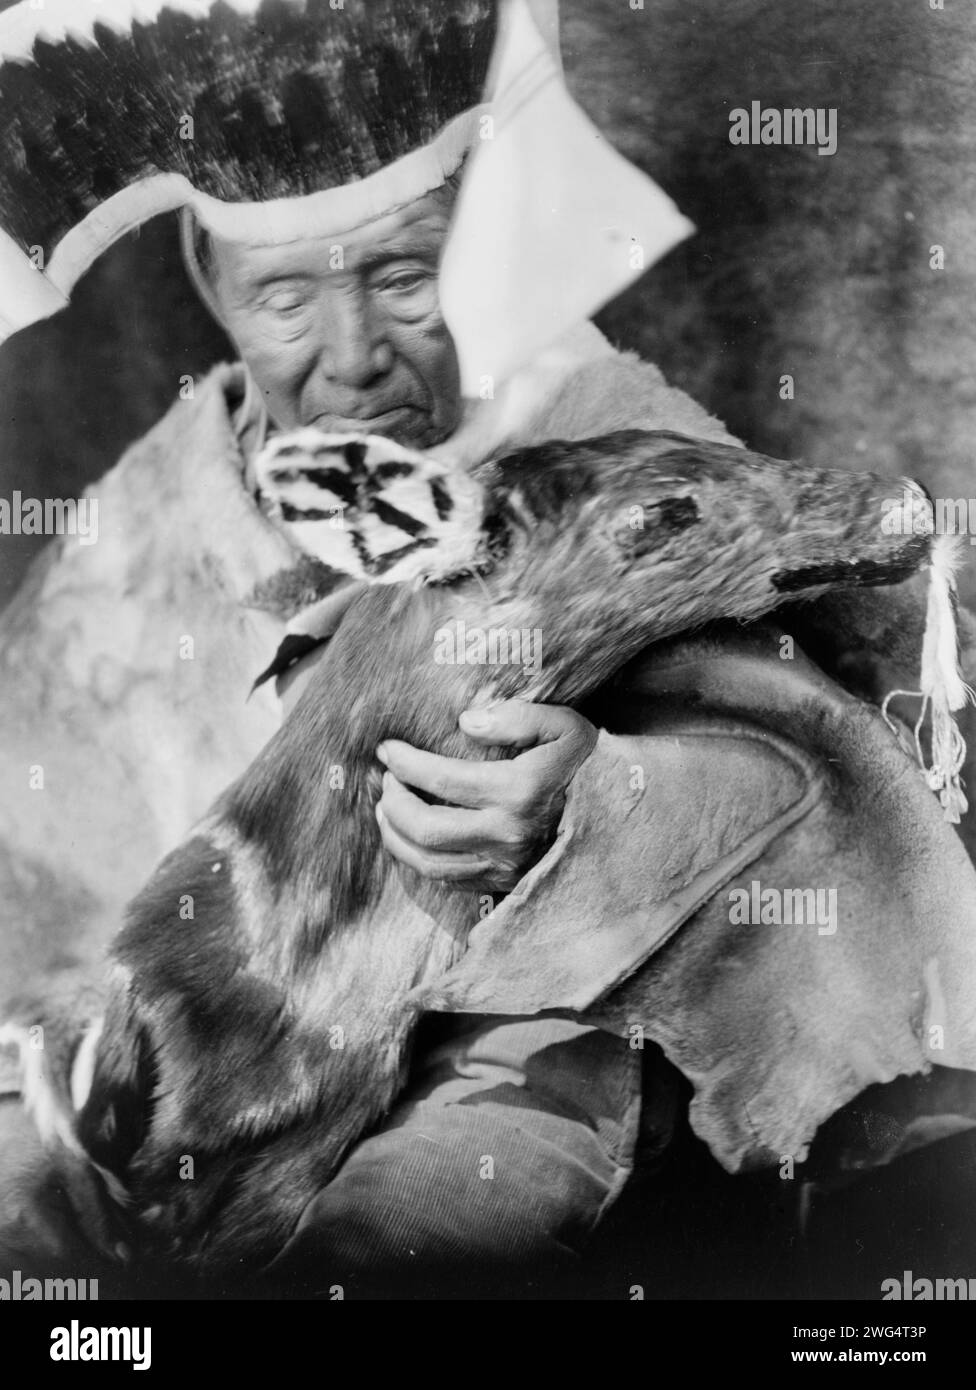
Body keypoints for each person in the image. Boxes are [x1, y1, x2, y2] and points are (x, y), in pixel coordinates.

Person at [1, 0, 975, 1299]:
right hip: (194, 1076)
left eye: (403, 275)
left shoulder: (608, 444)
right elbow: (42, 841)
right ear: (207, 281)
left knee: (408, 1241)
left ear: (475, 242)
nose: (351, 359)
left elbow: (802, 746)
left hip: (530, 1037)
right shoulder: (150, 520)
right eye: (285, 295)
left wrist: (594, 795)